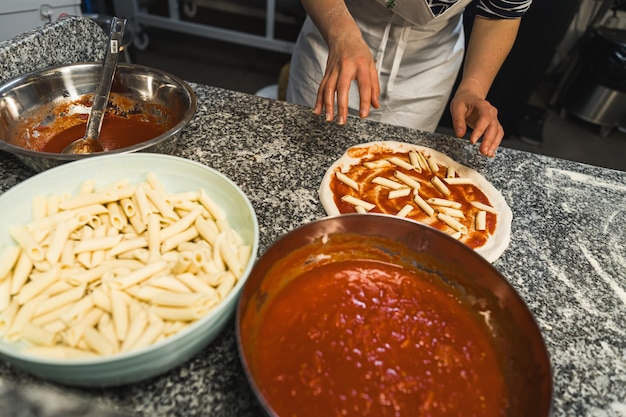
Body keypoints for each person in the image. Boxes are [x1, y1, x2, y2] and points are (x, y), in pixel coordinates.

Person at [286, 0, 532, 157]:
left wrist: (473, 88)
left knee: (395, 171)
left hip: (428, 63)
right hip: (337, 30)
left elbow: (500, 14)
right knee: (310, 155)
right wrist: (340, 33)